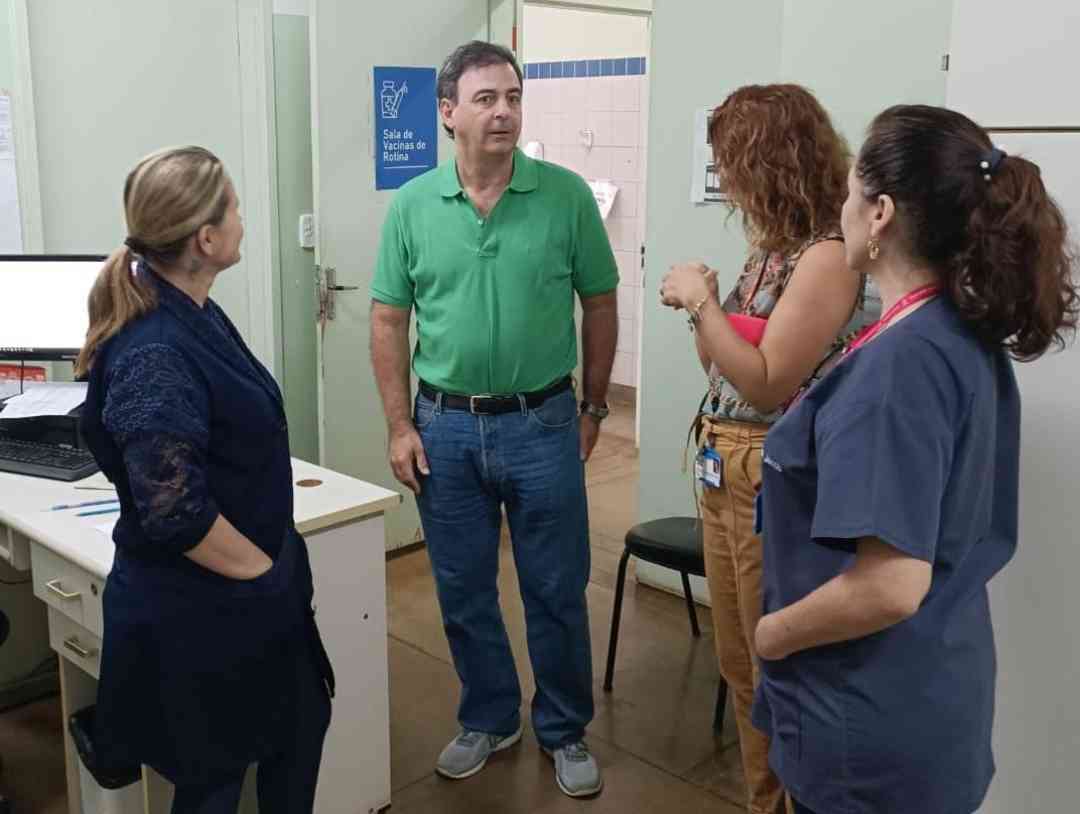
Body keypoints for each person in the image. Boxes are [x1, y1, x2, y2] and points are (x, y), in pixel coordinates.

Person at [751, 105, 1079, 814]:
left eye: (847, 192)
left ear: (880, 214)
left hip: (867, 725)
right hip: (927, 695)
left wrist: (771, 633)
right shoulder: (950, 332)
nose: (839, 209)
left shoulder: (900, 367)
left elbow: (891, 584)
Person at [369, 41, 619, 798]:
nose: (504, 110)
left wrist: (595, 404)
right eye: (486, 98)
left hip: (542, 421)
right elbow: (387, 322)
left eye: (512, 96)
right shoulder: (412, 206)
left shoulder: (565, 196)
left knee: (555, 585)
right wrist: (397, 426)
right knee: (462, 586)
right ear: (448, 113)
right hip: (442, 425)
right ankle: (490, 714)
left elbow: (600, 303)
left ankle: (564, 727)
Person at [77, 146, 335, 814]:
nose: (245, 219)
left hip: (236, 600)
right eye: (236, 208)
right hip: (203, 611)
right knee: (215, 786)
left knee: (296, 735)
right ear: (206, 238)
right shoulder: (156, 349)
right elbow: (175, 514)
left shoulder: (188, 307)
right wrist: (267, 575)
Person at [659, 84, 868, 814]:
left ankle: (782, 802)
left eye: (733, 163)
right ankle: (762, 798)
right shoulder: (768, 251)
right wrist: (705, 314)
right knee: (738, 660)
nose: (726, 181)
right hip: (724, 454)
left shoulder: (830, 256)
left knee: (771, 659)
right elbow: (724, 370)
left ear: (771, 161)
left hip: (764, 466)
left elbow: (772, 382)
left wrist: (701, 303)